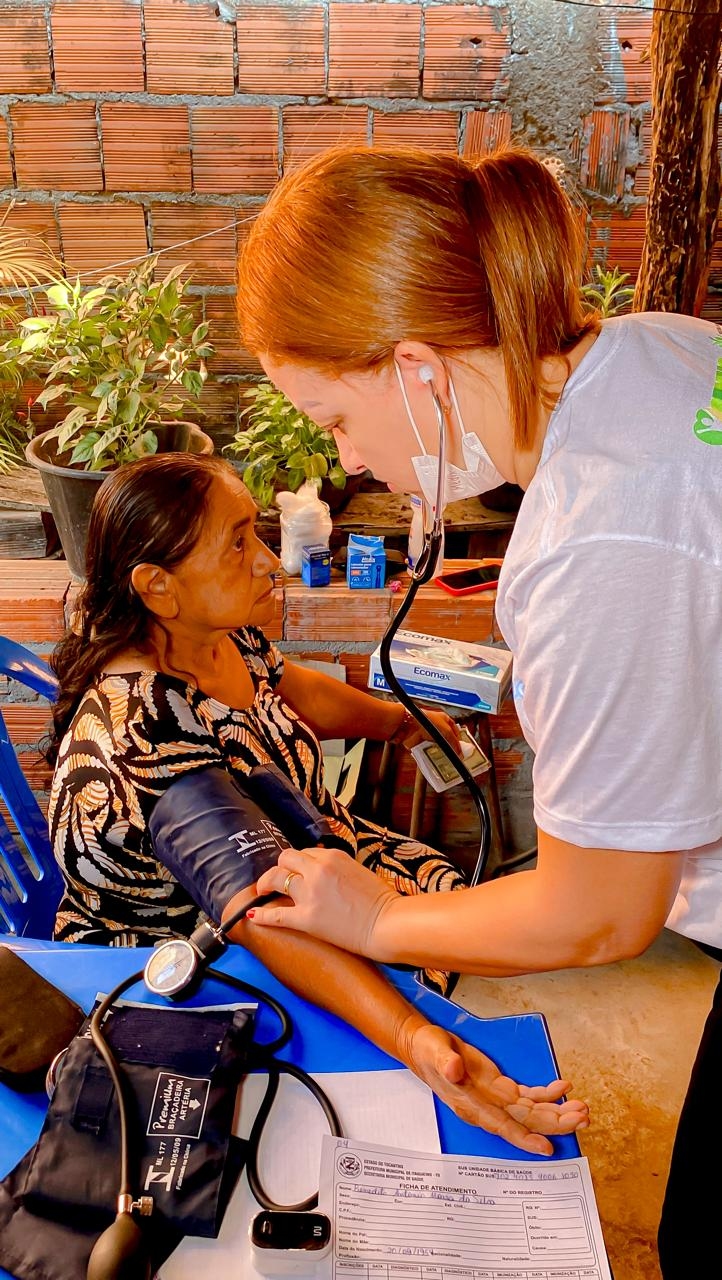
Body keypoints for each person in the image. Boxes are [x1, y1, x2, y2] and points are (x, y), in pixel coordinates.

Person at [236, 144, 722, 1274]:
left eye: (332, 417)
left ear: (416, 367)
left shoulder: (596, 540)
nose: (347, 458)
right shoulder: (658, 346)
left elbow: (598, 917)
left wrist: (377, 920)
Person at [47, 451, 588, 1155]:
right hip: (191, 951)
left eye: (257, 531)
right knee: (415, 963)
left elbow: (292, 689)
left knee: (440, 894)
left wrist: (397, 721)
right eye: (238, 543)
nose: (270, 561)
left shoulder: (214, 634)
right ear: (158, 586)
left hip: (302, 847)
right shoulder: (146, 730)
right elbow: (257, 912)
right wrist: (412, 1036)